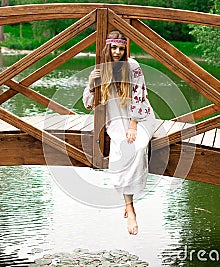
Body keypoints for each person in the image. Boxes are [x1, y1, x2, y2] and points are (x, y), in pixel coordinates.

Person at [83, 31, 156, 235]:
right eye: (114, 48)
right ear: (107, 48)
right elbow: (88, 104)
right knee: (122, 149)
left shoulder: (132, 66)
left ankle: (130, 203)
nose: (117, 52)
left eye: (121, 48)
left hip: (139, 117)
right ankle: (129, 206)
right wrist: (91, 84)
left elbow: (140, 94)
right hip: (115, 121)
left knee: (139, 145)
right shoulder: (100, 70)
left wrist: (133, 125)